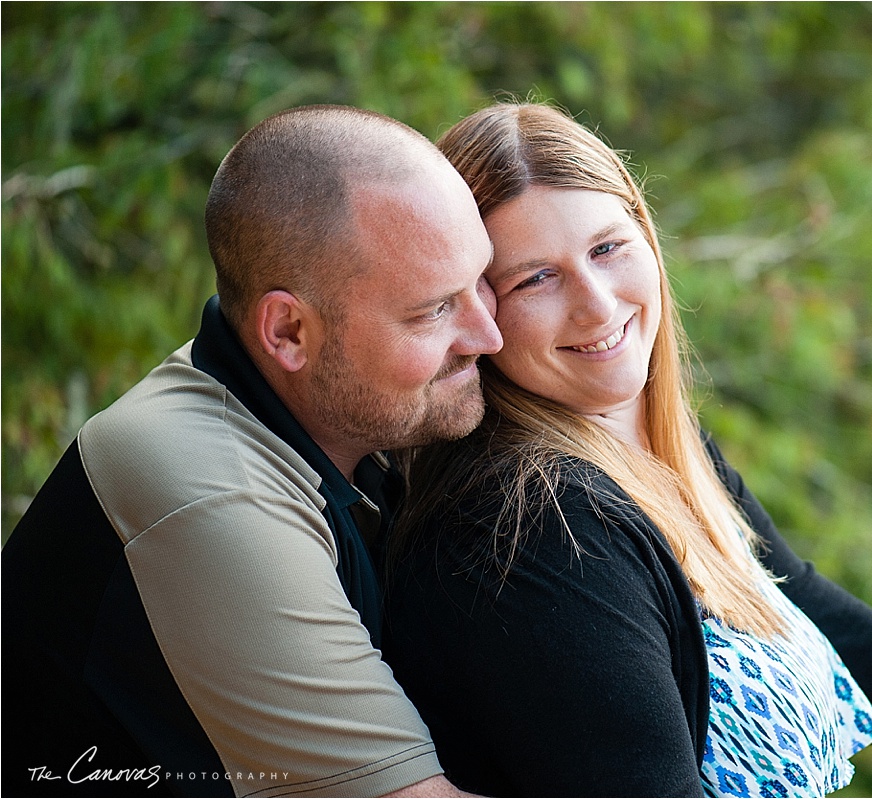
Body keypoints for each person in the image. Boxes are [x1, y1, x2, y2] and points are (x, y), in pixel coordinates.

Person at [382, 102, 872, 798]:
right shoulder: (536, 530)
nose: (597, 304)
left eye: (607, 247)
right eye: (535, 280)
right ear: (478, 310)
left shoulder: (646, 443)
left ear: (648, 237)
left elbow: (794, 595)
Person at [1, 105, 502, 797]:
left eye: (484, 279)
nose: (489, 334)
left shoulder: (340, 410)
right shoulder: (210, 490)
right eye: (434, 311)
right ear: (288, 330)